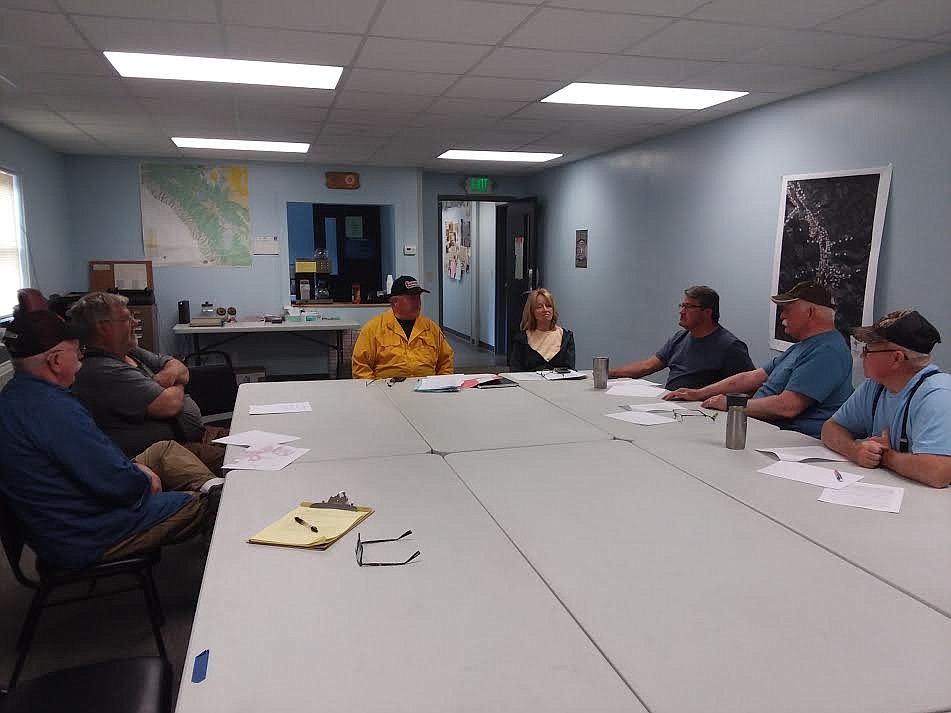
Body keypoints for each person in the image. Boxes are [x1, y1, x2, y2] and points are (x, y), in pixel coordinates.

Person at [0, 310, 221, 571]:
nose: (82, 356)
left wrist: (132, 470)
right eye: (76, 351)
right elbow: (117, 484)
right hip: (89, 533)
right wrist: (142, 479)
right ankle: (217, 500)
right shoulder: (55, 410)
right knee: (211, 507)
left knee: (163, 451)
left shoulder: (15, 397)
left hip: (66, 517)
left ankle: (215, 486)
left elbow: (95, 466)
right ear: (56, 361)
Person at [665, 281, 853, 438]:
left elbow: (787, 406)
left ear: (810, 312)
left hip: (795, 440)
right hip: (765, 428)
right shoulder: (801, 347)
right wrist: (698, 393)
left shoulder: (828, 351)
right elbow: (751, 378)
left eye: (788, 309)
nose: (782, 315)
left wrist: (731, 404)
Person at [67, 291, 227, 471]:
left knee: (254, 439)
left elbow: (179, 367)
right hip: (168, 453)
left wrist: (169, 378)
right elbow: (169, 405)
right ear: (103, 328)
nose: (135, 322)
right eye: (127, 319)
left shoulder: (130, 352)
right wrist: (177, 382)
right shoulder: (101, 369)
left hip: (196, 436)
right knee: (242, 461)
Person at [821, 310, 950, 488]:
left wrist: (886, 456)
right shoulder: (875, 386)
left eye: (868, 350)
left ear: (896, 358)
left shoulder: (939, 395)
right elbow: (830, 429)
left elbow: (938, 472)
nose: (861, 356)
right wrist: (856, 450)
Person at [609, 285, 753, 388]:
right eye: (681, 306)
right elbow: (646, 366)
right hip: (671, 404)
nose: (682, 312)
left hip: (701, 412)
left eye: (689, 307)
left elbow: (749, 386)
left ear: (707, 313)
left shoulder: (730, 346)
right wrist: (606, 373)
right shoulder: (680, 337)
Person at [351, 276, 454, 379]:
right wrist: (375, 390)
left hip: (426, 390)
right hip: (387, 390)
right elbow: (361, 367)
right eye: (412, 298)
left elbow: (446, 362)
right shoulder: (373, 329)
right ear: (395, 301)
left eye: (419, 297)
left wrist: (442, 384)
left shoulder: (431, 328)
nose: (418, 302)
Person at [508, 288, 575, 372]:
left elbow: (570, 370)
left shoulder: (566, 337)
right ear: (531, 311)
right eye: (539, 307)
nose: (545, 310)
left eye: (548, 306)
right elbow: (515, 371)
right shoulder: (521, 339)